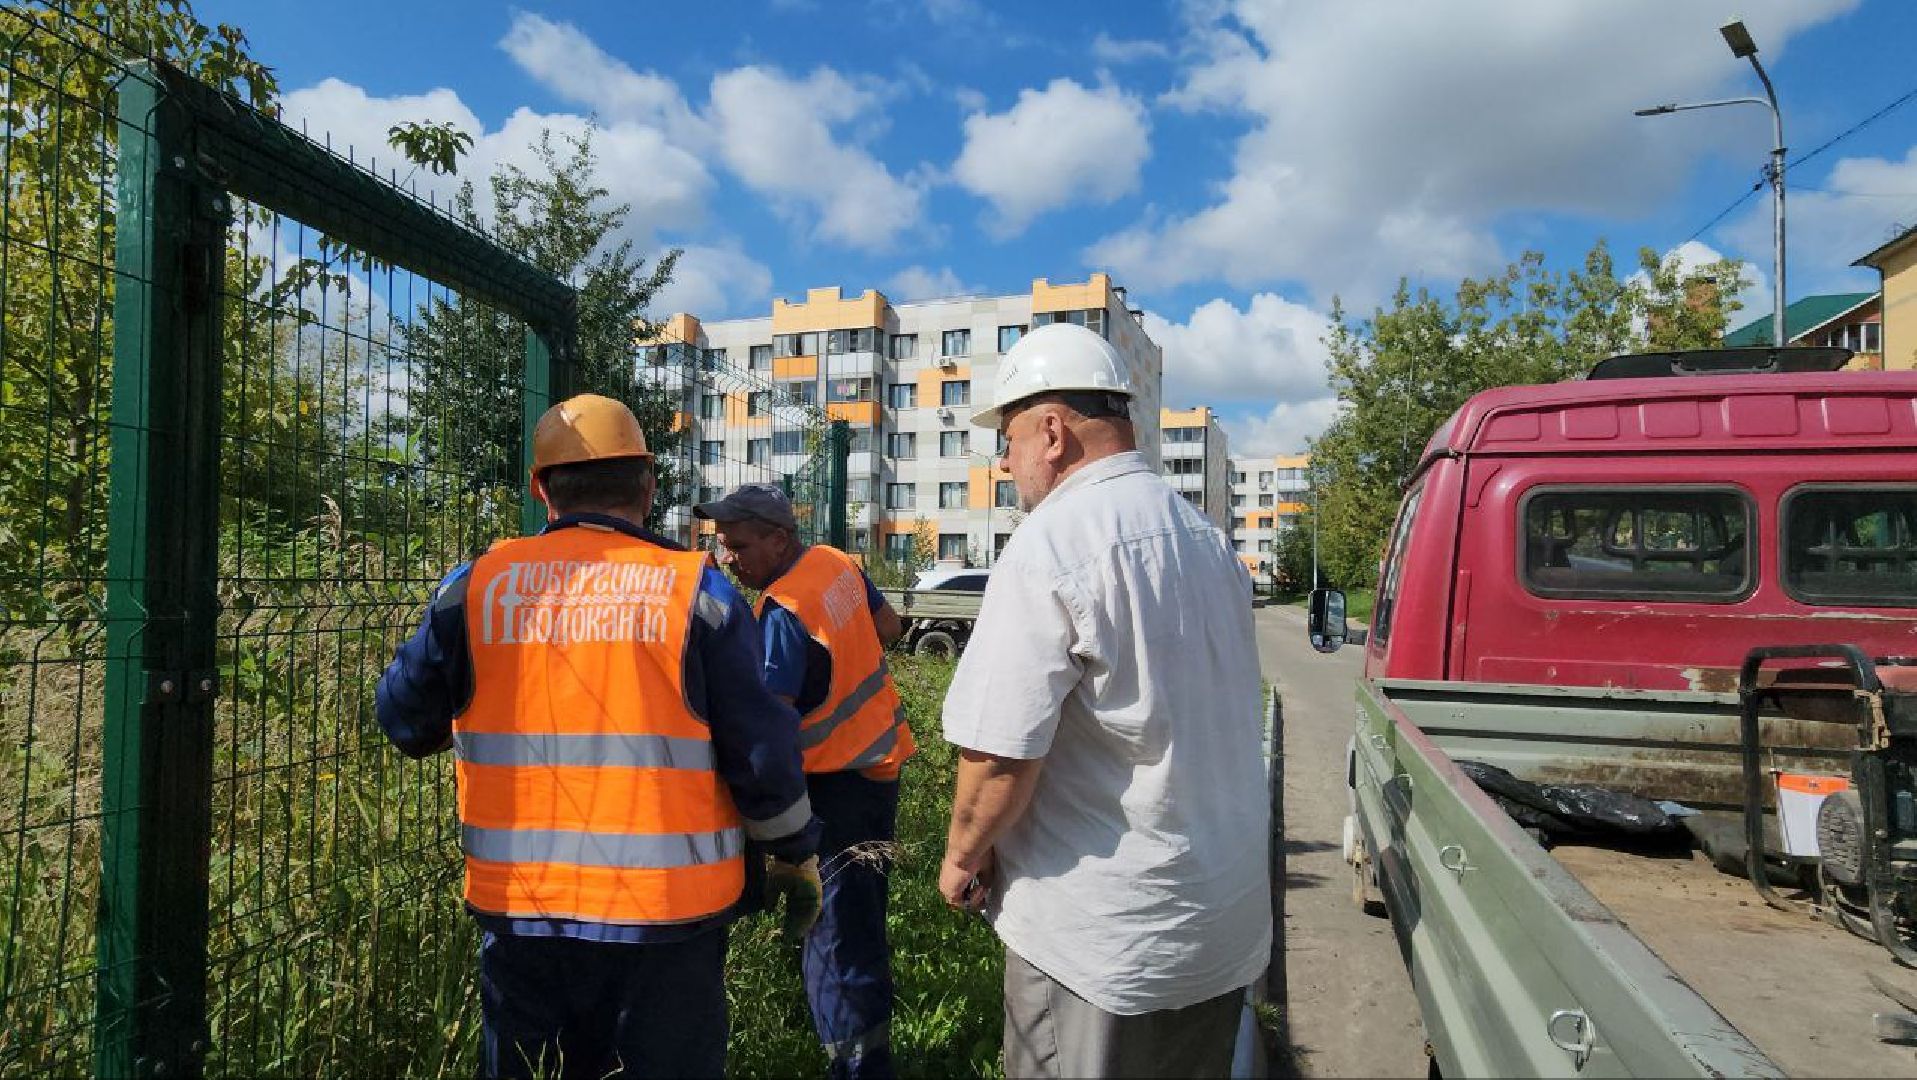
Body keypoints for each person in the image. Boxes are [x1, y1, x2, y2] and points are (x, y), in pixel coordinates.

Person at [375, 394, 823, 1080]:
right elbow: (759, 753)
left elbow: (404, 721)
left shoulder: (475, 588)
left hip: (522, 913)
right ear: (648, 485)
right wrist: (791, 850)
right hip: (668, 922)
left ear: (538, 488)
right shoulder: (695, 592)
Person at [936, 323, 1270, 1078]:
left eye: (1010, 439)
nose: (1006, 462)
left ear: (1051, 432)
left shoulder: (1049, 543)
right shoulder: (1204, 538)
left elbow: (998, 757)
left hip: (1100, 943)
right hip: (1218, 920)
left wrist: (962, 855)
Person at [693, 484, 914, 1079]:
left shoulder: (783, 612)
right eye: (720, 547)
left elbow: (770, 728)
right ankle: (870, 1047)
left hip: (831, 793)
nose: (727, 560)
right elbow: (890, 627)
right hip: (879, 766)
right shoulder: (837, 562)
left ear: (778, 538)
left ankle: (859, 1068)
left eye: (738, 546)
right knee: (860, 925)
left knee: (833, 940)